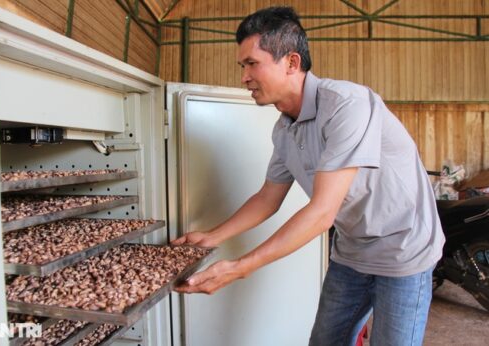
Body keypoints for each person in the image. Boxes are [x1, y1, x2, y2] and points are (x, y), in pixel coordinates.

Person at [173, 6, 445, 346]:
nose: (243, 77)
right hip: (351, 253)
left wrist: (241, 266)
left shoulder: (347, 105)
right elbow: (267, 198)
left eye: (252, 64)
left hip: (403, 251)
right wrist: (213, 237)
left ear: (291, 62)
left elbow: (321, 213)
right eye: (242, 66)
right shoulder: (285, 130)